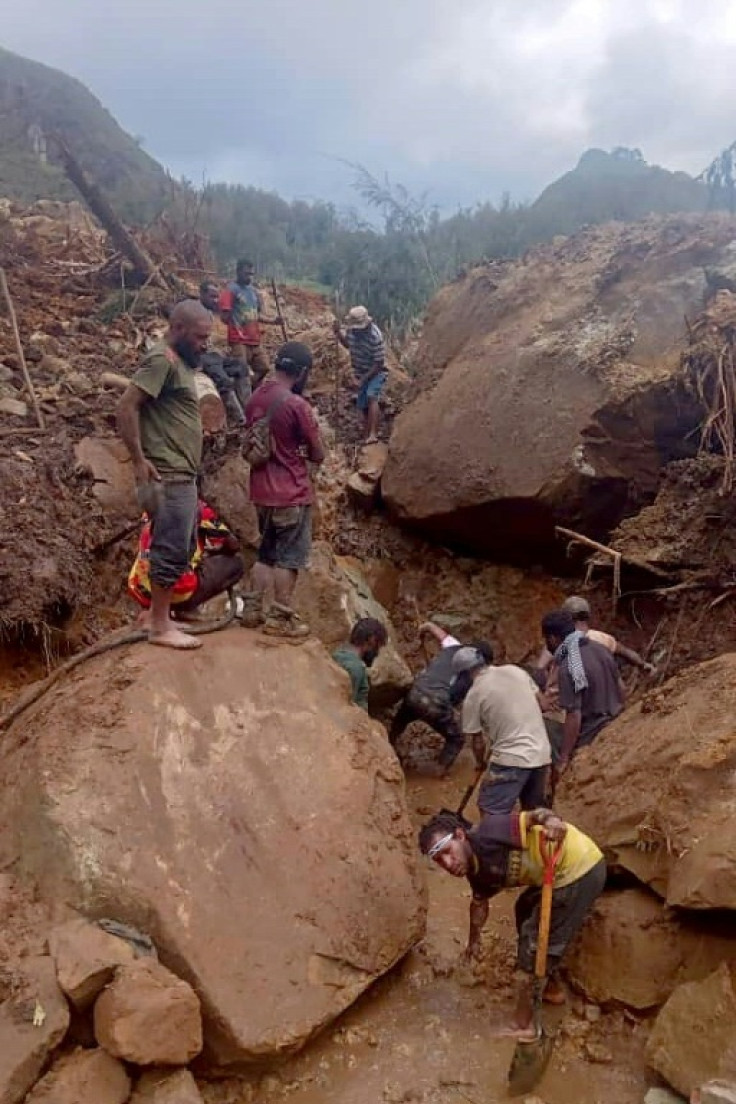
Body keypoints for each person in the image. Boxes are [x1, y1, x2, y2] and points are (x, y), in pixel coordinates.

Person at [419, 807, 606, 1037]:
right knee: (524, 908)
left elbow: (534, 816)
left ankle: (523, 1024)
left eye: (448, 852)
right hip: (556, 874)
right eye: (439, 861)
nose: (448, 863)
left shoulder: (490, 832)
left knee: (533, 943)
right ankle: (549, 987)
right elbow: (479, 904)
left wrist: (551, 820)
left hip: (579, 870)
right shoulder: (476, 872)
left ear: (460, 835)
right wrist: (473, 943)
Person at [117, 299, 211, 650]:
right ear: (180, 329)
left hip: (179, 474)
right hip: (168, 474)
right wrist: (139, 461)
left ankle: (158, 617)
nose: (205, 343)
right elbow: (126, 405)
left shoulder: (179, 363)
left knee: (179, 544)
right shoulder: (163, 360)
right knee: (171, 546)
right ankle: (159, 625)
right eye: (200, 337)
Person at [240, 341, 325, 638]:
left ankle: (251, 609)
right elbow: (318, 453)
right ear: (301, 372)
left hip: (261, 493)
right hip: (291, 491)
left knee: (266, 552)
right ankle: (280, 617)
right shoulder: (296, 405)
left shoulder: (254, 397)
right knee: (288, 558)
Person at [452, 647, 552, 816]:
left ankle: (497, 840)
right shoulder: (515, 671)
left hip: (511, 758)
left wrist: (480, 763)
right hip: (541, 753)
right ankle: (529, 841)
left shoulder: (473, 695)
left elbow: (477, 742)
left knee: (490, 810)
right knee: (534, 813)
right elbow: (543, 705)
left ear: (464, 675)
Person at [389, 621, 493, 772]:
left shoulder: (454, 646)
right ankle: (440, 770)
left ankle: (387, 745)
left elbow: (434, 629)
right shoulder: (478, 673)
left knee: (398, 724)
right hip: (436, 702)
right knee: (456, 739)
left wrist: (425, 628)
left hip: (415, 691)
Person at [541, 610, 625, 779]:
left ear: (553, 639)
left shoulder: (568, 666)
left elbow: (574, 716)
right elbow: (622, 688)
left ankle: (555, 787)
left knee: (547, 725)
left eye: (546, 640)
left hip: (591, 731)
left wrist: (563, 759)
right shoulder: (602, 650)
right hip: (616, 721)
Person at [128, 499, 244, 617]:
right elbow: (233, 545)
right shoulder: (198, 508)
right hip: (176, 595)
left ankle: (159, 612)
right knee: (236, 564)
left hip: (140, 588)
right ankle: (179, 611)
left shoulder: (154, 503)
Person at [219, 260, 277, 389]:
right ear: (238, 272)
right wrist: (235, 323)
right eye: (246, 274)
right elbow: (224, 316)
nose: (250, 277)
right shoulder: (231, 290)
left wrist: (274, 321)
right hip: (238, 340)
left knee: (264, 367)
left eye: (251, 274)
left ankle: (250, 389)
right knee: (240, 372)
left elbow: (257, 316)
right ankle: (242, 396)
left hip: (254, 340)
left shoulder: (254, 292)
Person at [198, 280, 250, 426]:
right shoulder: (193, 312)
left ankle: (248, 410)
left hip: (210, 354)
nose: (215, 300)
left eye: (216, 297)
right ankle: (239, 420)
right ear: (201, 294)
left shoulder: (208, 313)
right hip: (198, 356)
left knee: (241, 367)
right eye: (211, 296)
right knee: (223, 380)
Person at [334, 305, 387, 444]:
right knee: (362, 404)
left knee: (371, 396)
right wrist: (338, 333)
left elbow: (379, 363)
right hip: (360, 371)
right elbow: (348, 344)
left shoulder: (375, 337)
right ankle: (366, 433)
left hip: (375, 373)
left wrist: (363, 379)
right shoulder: (352, 332)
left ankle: (373, 434)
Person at [332, 618, 388, 710]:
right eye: (377, 646)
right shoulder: (356, 668)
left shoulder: (337, 655)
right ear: (371, 640)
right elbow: (346, 706)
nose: (376, 653)